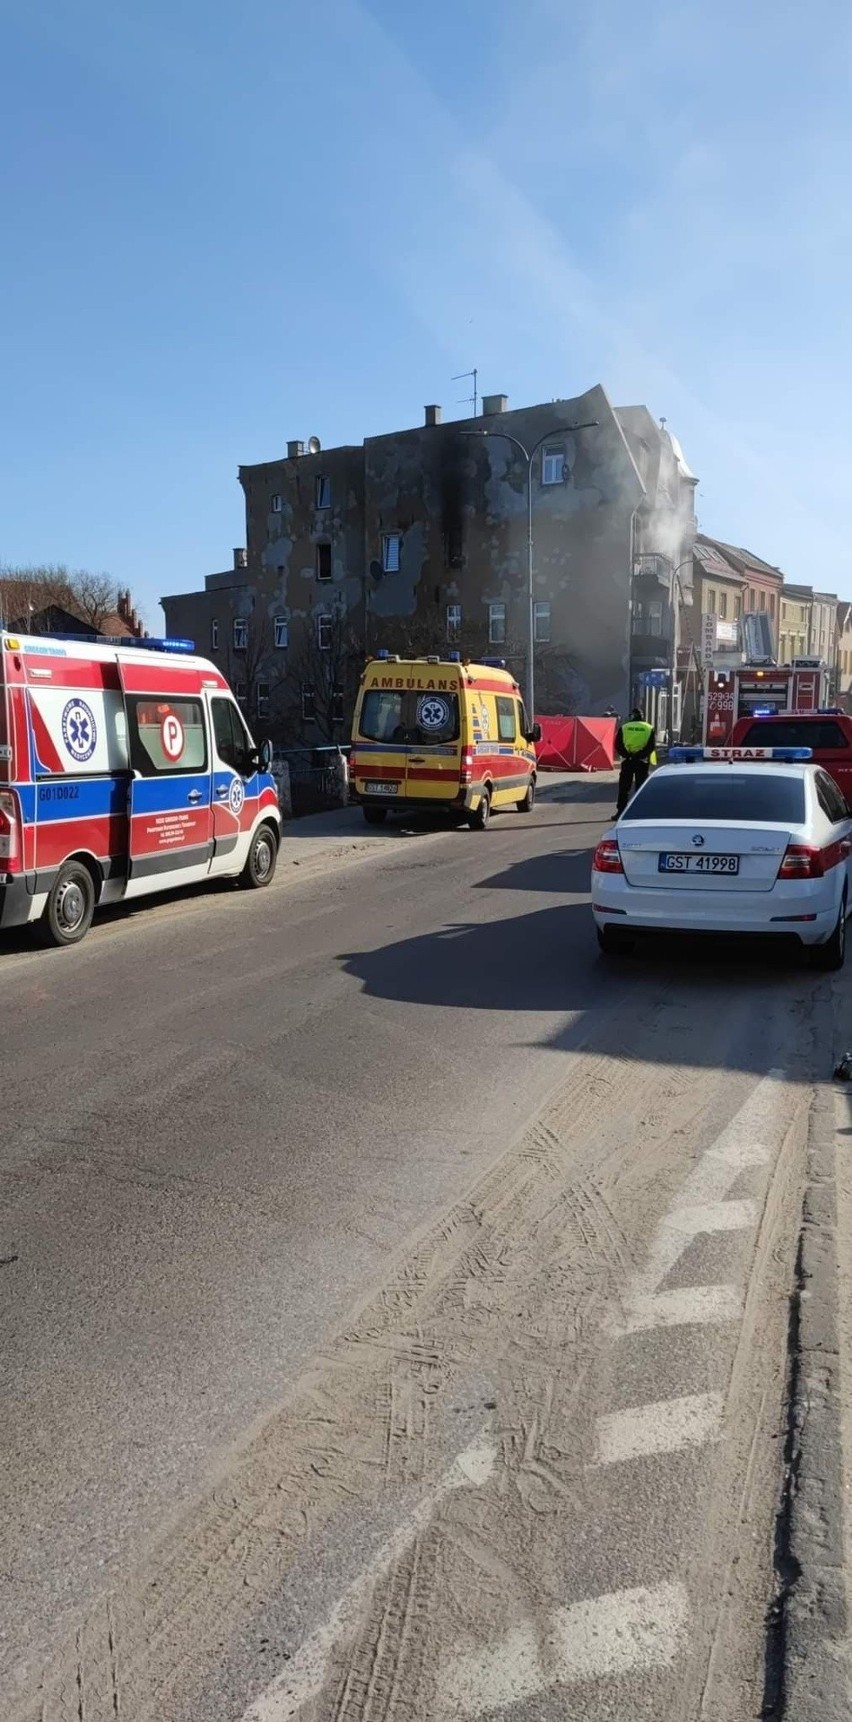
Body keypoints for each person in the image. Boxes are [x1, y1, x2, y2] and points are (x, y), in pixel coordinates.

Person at [615, 707, 656, 815]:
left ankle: (621, 812)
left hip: (627, 761)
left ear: (631, 716)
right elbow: (651, 746)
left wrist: (628, 755)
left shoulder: (624, 727)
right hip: (642, 761)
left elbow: (618, 745)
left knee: (624, 788)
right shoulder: (649, 728)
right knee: (641, 787)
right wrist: (639, 755)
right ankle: (640, 812)